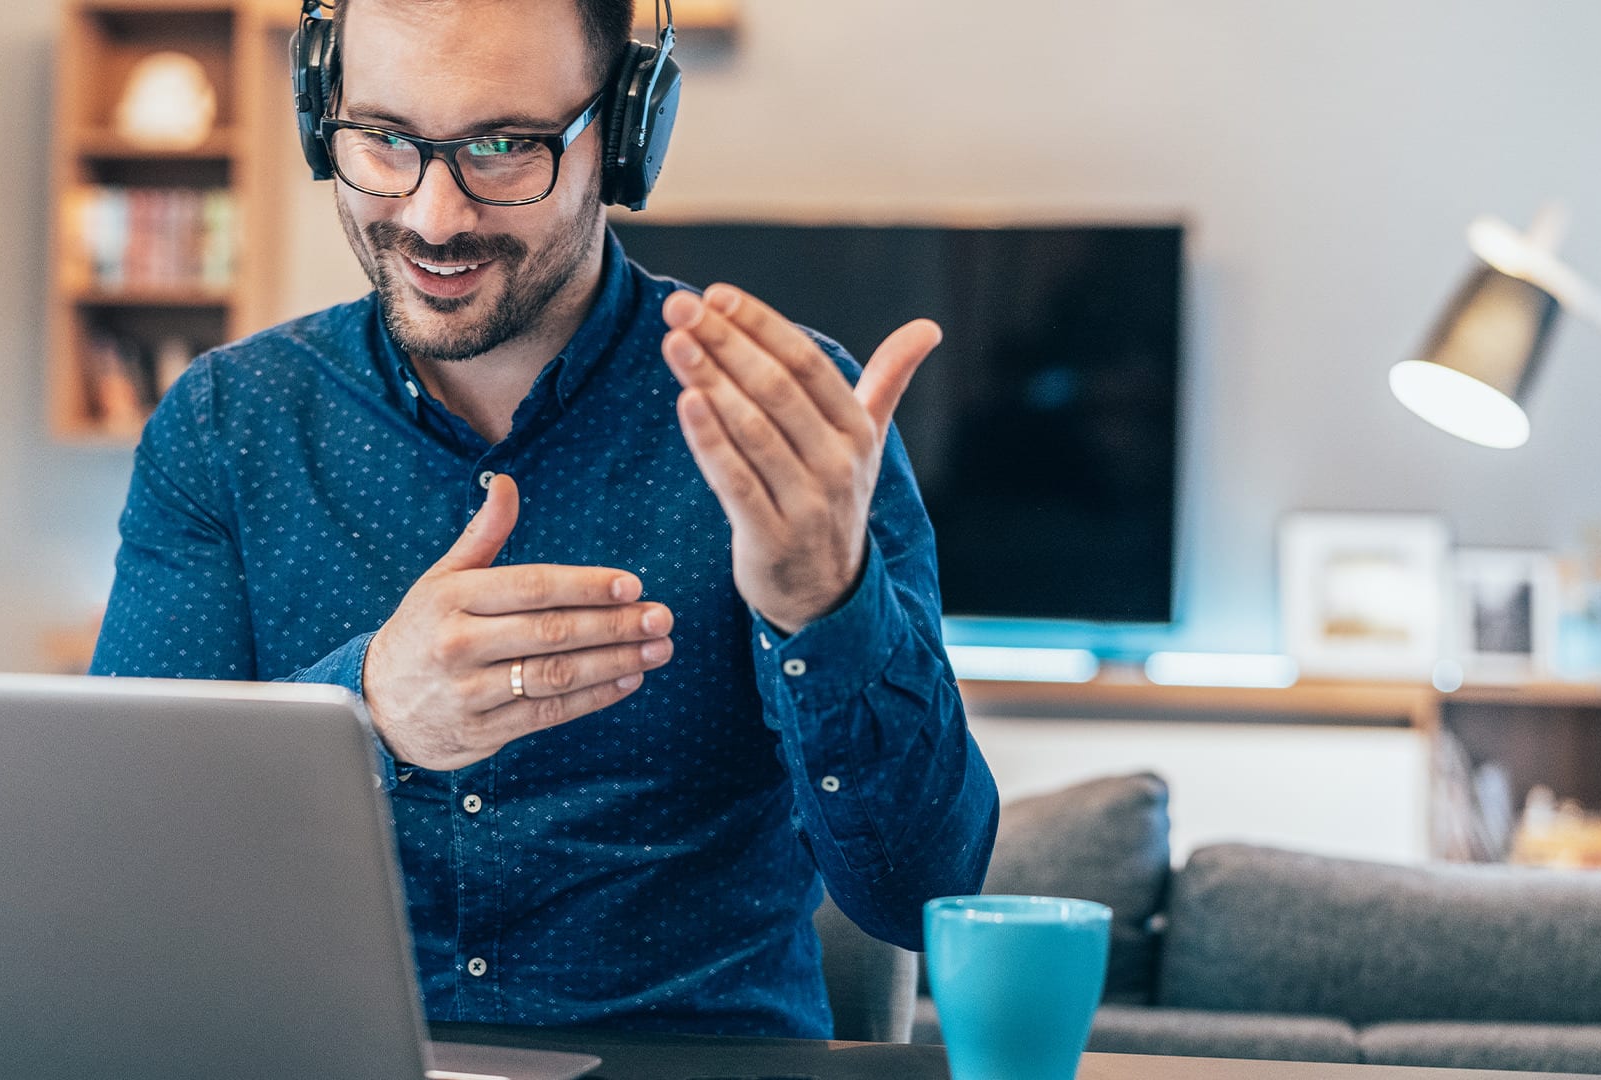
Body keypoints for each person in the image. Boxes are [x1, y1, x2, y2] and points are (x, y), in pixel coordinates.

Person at [90, 0, 999, 1039]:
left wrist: (825, 604)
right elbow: (126, 858)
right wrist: (365, 712)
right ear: (320, 116)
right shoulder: (225, 425)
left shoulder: (789, 421)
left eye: (503, 146)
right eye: (384, 139)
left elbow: (926, 897)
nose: (432, 216)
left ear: (622, 134)